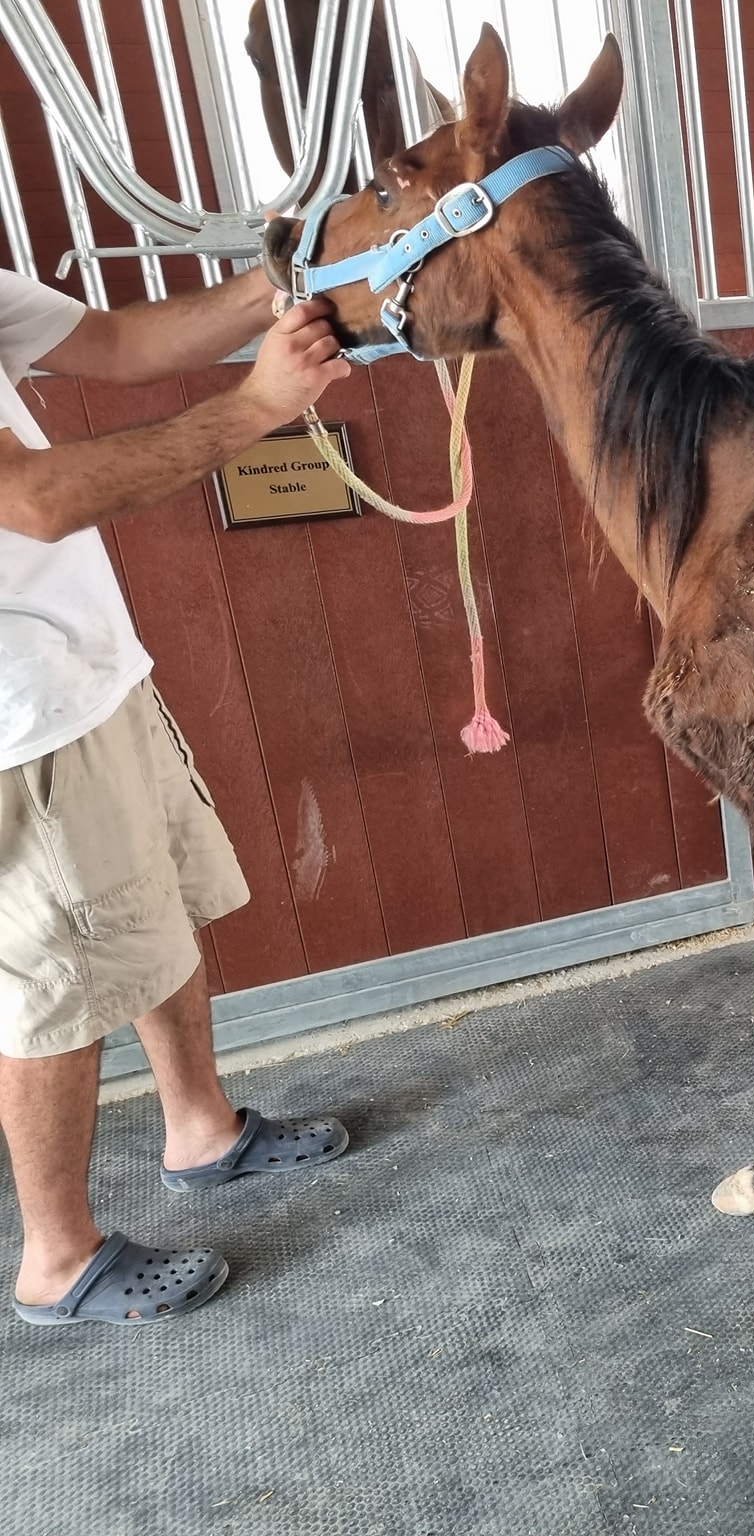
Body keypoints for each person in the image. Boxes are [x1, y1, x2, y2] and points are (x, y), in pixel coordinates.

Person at [1, 264, 354, 1325]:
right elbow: (36, 497)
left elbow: (110, 342)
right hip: (18, 720)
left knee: (147, 909)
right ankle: (57, 1258)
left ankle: (198, 1129)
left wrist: (270, 287)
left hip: (82, 670)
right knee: (57, 980)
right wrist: (256, 405)